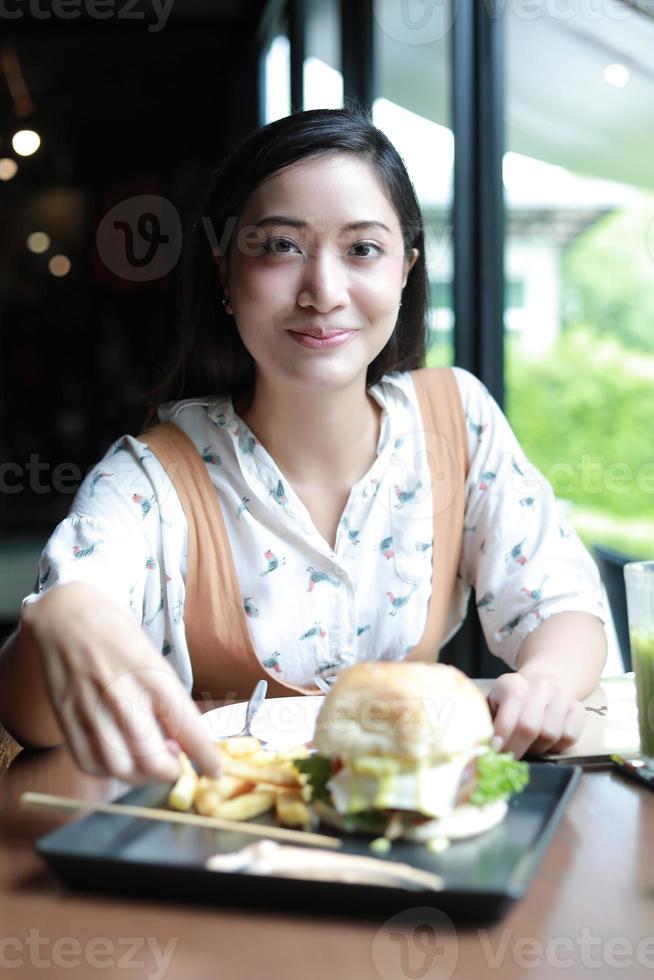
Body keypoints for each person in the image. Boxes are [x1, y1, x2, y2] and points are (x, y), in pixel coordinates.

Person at [0, 107, 607, 783]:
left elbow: (562, 605)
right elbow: (34, 716)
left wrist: (547, 680)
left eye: (362, 249)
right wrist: (57, 617)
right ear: (225, 273)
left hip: (411, 835)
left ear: (405, 271)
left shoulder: (456, 419)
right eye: (281, 246)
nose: (323, 292)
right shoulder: (150, 478)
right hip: (219, 856)